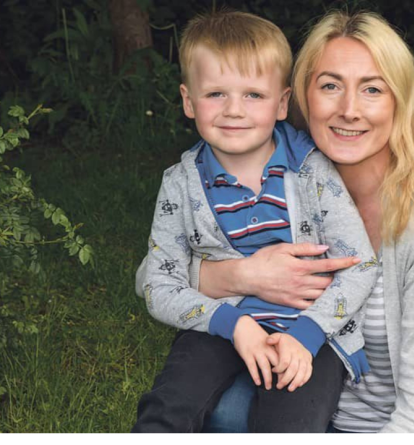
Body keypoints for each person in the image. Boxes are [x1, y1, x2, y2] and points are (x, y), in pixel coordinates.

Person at [199, 10, 414, 433]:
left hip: (391, 428)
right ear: (301, 97)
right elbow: (155, 274)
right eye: (330, 86)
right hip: (294, 400)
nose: (349, 110)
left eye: (372, 89)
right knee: (217, 408)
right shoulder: (279, 178)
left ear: (399, 103)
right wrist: (246, 275)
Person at [132, 11, 378, 433]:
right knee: (169, 407)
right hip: (220, 323)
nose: (233, 111)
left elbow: (361, 266)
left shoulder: (312, 173)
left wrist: (308, 333)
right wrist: (235, 325)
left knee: (289, 423)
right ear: (188, 101)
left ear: (282, 103)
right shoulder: (181, 184)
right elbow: (157, 283)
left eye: (253, 95)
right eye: (215, 94)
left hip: (309, 333)